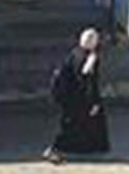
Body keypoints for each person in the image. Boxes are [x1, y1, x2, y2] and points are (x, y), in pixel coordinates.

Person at [45, 28, 110, 161]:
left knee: (75, 125)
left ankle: (86, 148)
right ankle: (54, 149)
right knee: (75, 127)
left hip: (69, 97)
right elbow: (89, 80)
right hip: (81, 99)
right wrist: (94, 102)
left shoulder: (74, 53)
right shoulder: (90, 57)